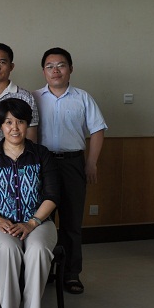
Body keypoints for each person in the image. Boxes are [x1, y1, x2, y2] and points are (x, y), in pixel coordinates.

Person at [0, 99, 59, 308]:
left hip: (39, 221)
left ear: (27, 124)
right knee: (8, 249)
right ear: (0, 126)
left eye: (20, 122)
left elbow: (52, 195)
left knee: (38, 250)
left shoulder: (41, 154)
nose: (14, 128)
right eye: (8, 122)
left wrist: (31, 223)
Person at [33, 48, 106, 295]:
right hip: (42, 164)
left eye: (61, 65)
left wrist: (91, 163)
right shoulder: (34, 97)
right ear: (43, 71)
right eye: (50, 66)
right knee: (42, 220)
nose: (55, 70)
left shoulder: (83, 98)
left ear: (70, 69)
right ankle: (43, 271)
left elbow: (97, 130)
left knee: (72, 221)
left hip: (73, 163)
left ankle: (71, 273)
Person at [0, 43, 39, 147]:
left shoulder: (25, 97)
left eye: (2, 62)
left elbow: (31, 136)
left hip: (15, 157)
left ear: (11, 66)